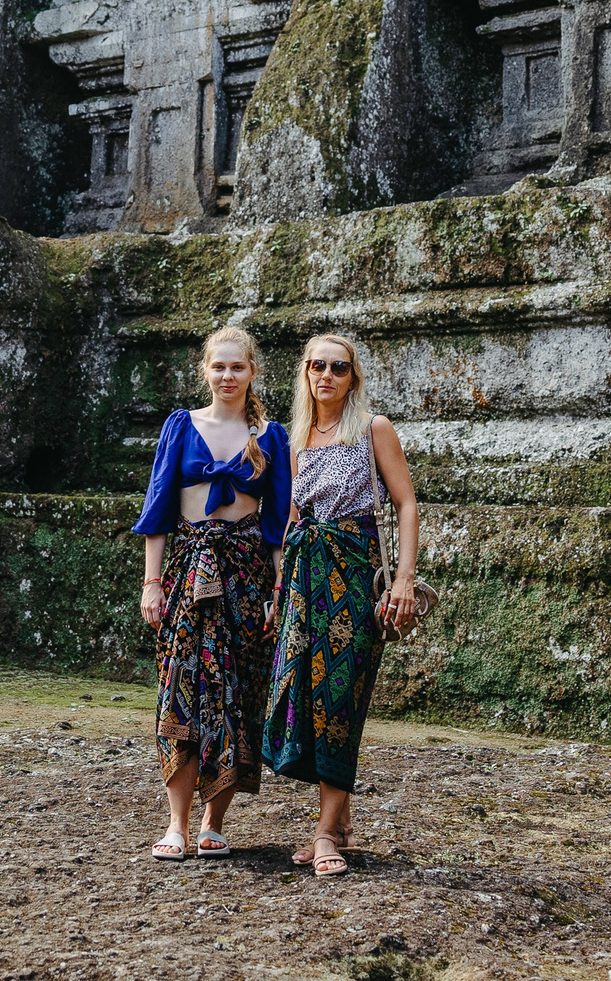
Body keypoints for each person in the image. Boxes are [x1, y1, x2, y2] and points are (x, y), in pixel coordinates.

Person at [131, 325, 291, 861]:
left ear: (253, 372)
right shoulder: (181, 426)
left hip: (245, 574)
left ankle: (213, 823)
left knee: (236, 691)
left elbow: (277, 524)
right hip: (186, 570)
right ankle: (176, 824)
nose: (227, 376)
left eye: (237, 367)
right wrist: (151, 583)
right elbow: (157, 510)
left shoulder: (270, 436)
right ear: (206, 370)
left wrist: (279, 591)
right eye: (218, 366)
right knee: (180, 687)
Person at [264, 331, 419, 876]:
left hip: (354, 576)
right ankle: (343, 823)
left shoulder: (373, 429)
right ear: (305, 373)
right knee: (306, 695)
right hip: (304, 579)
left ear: (353, 378)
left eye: (339, 367)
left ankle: (326, 833)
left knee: (340, 696)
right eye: (317, 365)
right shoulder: (296, 439)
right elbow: (290, 519)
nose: (326, 374)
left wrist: (403, 581)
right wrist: (278, 590)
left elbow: (405, 504)